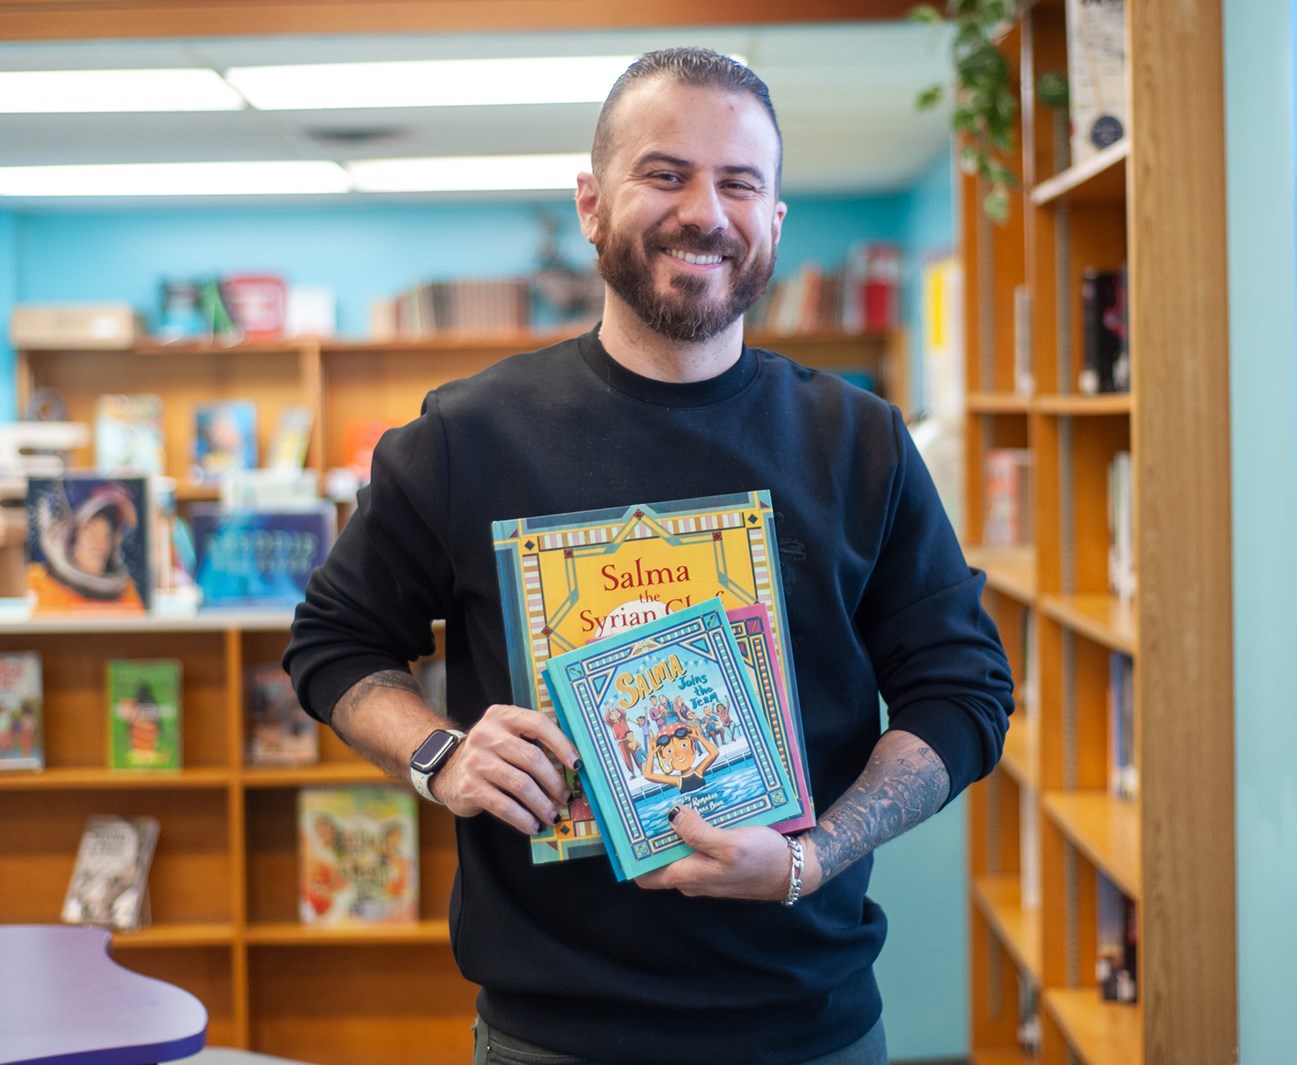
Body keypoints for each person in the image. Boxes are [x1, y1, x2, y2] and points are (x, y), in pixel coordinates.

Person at [283, 46, 1012, 1065]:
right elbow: (334, 644)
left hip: (809, 1023)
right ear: (591, 203)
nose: (703, 211)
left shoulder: (862, 441)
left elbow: (963, 691)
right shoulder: (467, 435)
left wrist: (814, 857)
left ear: (774, 222)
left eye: (738, 183)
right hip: (553, 1033)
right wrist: (438, 755)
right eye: (664, 174)